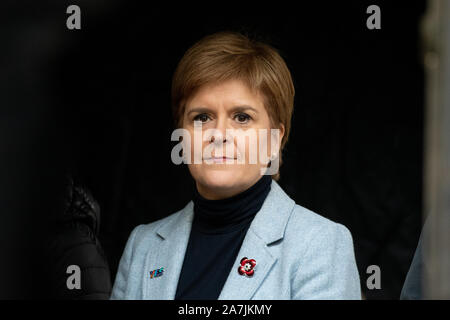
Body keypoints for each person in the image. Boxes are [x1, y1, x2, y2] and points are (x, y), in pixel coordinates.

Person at [110, 31, 361, 300]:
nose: (219, 134)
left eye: (242, 117)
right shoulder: (143, 245)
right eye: (202, 117)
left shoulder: (321, 244)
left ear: (275, 140)